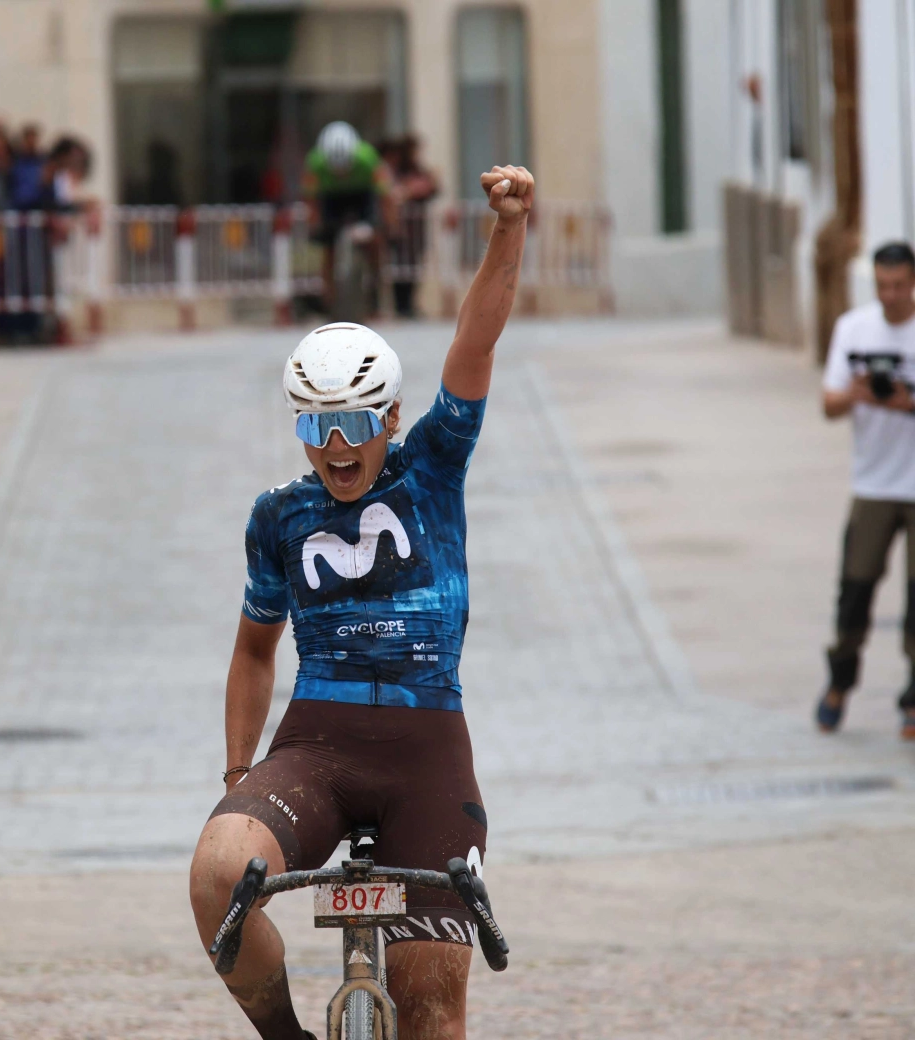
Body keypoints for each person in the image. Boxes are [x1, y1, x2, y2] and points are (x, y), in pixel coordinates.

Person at [189, 165, 535, 1040]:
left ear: (390, 419)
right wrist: (237, 777)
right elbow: (254, 650)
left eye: (353, 422)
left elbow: (475, 344)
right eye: (316, 425)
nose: (336, 446)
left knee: (431, 1014)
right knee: (217, 873)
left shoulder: (433, 468)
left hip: (427, 751)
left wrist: (508, 229)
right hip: (318, 746)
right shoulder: (279, 516)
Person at [817, 241, 915, 740]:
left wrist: (907, 403)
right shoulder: (853, 328)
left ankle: (913, 700)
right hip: (873, 484)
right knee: (855, 590)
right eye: (882, 286)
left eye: (899, 286)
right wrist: (855, 394)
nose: (890, 295)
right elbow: (828, 405)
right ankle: (838, 683)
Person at [302, 122, 392, 318]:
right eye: (336, 169)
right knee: (328, 248)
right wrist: (314, 224)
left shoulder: (368, 158)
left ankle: (376, 293)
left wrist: (388, 225)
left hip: (362, 195)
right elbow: (311, 198)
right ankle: (328, 301)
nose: (341, 174)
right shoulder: (315, 163)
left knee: (375, 241)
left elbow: (384, 195)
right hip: (331, 197)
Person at [380, 136, 439, 319]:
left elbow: (431, 188)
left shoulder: (418, 171)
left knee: (413, 267)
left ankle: (409, 304)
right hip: (399, 230)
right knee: (399, 268)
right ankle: (401, 305)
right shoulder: (394, 171)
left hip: (415, 231)